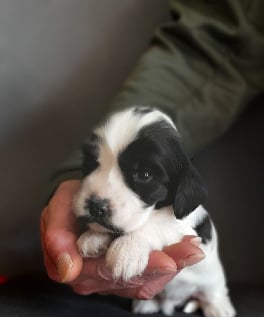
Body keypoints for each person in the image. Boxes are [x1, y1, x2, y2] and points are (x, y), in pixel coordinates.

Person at [41, 0, 264, 299]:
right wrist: (72, 177)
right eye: (94, 163)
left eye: (144, 173)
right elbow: (218, 43)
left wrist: (140, 239)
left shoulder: (182, 205)